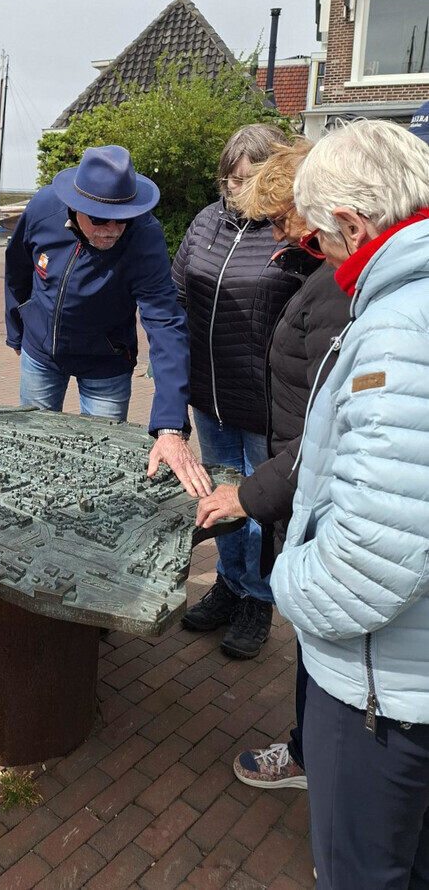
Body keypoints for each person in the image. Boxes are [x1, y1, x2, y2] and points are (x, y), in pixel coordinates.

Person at [271, 120, 429, 888]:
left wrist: (289, 583)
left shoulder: (400, 330)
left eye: (322, 239)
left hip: (384, 691)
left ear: (355, 224)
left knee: (363, 872)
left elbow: (370, 558)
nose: (321, 256)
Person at [194, 139, 350, 790]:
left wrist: (249, 496)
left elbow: (326, 432)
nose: (276, 231)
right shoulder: (325, 270)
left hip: (295, 466)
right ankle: (312, 748)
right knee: (320, 646)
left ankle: (323, 764)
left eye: (282, 217)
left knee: (327, 638)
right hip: (231, 407)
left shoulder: (341, 288)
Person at [5, 144, 211, 498]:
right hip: (40, 354)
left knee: (99, 463)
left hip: (106, 364)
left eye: (123, 218)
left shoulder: (144, 237)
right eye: (99, 219)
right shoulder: (42, 207)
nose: (112, 230)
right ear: (74, 206)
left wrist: (170, 426)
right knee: (33, 452)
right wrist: (18, 329)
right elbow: (18, 266)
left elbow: (165, 325)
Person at [173, 123, 307, 660]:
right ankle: (229, 584)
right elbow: (179, 290)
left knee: (258, 503)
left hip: (263, 399)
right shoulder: (207, 221)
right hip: (211, 394)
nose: (235, 191)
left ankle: (258, 598)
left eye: (248, 180)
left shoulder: (288, 232)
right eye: (229, 180)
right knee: (218, 498)